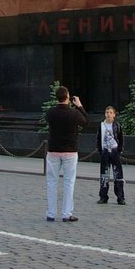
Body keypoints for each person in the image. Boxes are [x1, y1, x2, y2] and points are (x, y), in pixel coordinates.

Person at [44, 86, 87, 223]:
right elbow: (86, 122)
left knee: (51, 182)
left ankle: (51, 214)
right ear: (68, 97)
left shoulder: (50, 112)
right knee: (69, 182)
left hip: (53, 151)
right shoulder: (74, 113)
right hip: (70, 152)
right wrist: (79, 106)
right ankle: (66, 214)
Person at [98, 105, 126, 205]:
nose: (108, 114)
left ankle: (120, 197)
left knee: (118, 175)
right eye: (107, 112)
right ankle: (103, 196)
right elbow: (98, 139)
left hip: (114, 151)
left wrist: (119, 150)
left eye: (110, 112)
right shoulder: (101, 125)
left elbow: (121, 138)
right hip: (105, 151)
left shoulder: (117, 125)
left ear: (114, 114)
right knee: (104, 175)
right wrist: (101, 151)